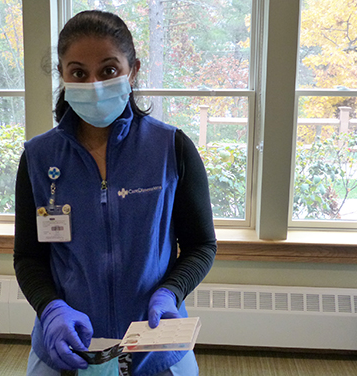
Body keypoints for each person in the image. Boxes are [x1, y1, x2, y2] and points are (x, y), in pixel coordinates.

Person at [14, 10, 217, 376]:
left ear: (132, 70)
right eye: (78, 72)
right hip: (67, 349)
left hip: (154, 346)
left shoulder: (172, 148)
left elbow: (202, 244)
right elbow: (28, 257)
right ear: (62, 75)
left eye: (108, 70)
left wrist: (171, 291)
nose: (93, 84)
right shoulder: (38, 158)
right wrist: (51, 310)